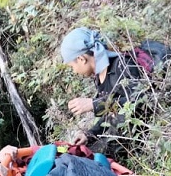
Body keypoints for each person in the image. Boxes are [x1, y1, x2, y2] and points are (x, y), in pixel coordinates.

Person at [60, 27, 143, 155]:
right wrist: (89, 134)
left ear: (81, 59)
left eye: (72, 66)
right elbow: (110, 112)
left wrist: (94, 104)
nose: (74, 71)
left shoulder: (122, 66)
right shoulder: (100, 76)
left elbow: (140, 100)